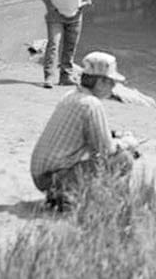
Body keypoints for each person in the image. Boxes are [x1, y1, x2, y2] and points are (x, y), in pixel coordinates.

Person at [29, 51, 139, 210]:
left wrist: (115, 135)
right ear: (100, 82)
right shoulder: (92, 104)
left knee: (106, 155)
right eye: (111, 82)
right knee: (124, 159)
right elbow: (106, 150)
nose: (113, 87)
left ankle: (64, 195)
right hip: (54, 178)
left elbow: (88, 134)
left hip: (42, 175)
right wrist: (127, 143)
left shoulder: (71, 95)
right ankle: (111, 204)